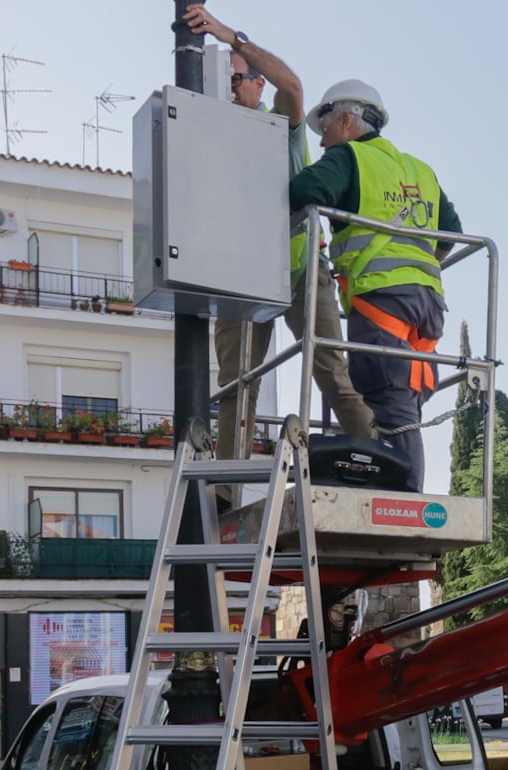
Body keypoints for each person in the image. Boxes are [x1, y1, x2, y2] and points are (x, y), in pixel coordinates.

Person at [185, 6, 378, 460]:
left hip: (301, 270)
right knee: (236, 383)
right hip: (242, 276)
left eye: (237, 79)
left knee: (331, 371)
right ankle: (226, 490)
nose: (231, 90)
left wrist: (233, 38)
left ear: (257, 83)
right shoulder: (214, 139)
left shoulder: (280, 126)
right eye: (225, 81)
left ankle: (379, 459)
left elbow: (292, 87)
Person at [289, 76, 462, 485]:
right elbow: (452, 231)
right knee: (404, 407)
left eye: (326, 128)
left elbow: (303, 189)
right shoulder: (419, 170)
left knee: (392, 408)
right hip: (428, 308)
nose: (323, 142)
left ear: (347, 120)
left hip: (380, 303)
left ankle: (405, 505)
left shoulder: (349, 158)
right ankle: (398, 493)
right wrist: (414, 268)